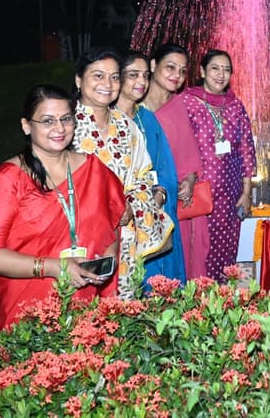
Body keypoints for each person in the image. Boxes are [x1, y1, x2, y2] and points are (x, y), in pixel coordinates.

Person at [0, 85, 125, 330]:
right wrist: (53, 267)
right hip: (30, 306)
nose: (60, 128)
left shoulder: (94, 170)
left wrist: (106, 259)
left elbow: (114, 223)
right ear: (26, 126)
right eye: (47, 121)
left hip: (86, 296)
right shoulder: (5, 181)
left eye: (66, 119)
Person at [72, 47, 173, 299]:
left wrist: (134, 205)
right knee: (84, 307)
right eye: (98, 76)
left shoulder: (126, 125)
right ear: (78, 80)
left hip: (126, 232)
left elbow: (143, 177)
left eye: (114, 77)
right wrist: (108, 209)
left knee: (124, 306)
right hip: (80, 235)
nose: (108, 84)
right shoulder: (66, 125)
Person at [156, 49, 257, 281]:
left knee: (226, 249)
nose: (221, 75)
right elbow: (169, 136)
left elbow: (246, 150)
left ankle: (220, 293)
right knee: (198, 249)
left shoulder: (235, 106)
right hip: (198, 192)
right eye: (215, 68)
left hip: (230, 195)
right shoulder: (186, 102)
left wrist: (246, 192)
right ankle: (197, 293)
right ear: (202, 71)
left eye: (226, 70)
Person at [117, 51, 187, 285]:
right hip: (123, 215)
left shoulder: (147, 117)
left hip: (156, 206)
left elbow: (165, 167)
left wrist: (161, 194)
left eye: (145, 75)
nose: (141, 82)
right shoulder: (107, 121)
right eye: (133, 75)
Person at [142, 43, 189, 113]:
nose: (178, 75)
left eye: (183, 71)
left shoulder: (183, 106)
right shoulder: (134, 100)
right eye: (171, 67)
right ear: (153, 65)